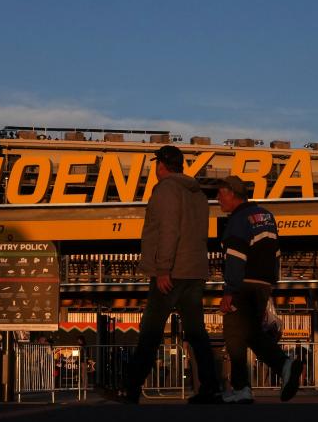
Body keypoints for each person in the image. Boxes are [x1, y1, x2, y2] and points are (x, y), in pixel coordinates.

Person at [120, 144, 220, 404]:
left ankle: (131, 389)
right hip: (194, 270)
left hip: (172, 271)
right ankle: (210, 388)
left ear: (161, 165)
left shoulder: (166, 189)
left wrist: (163, 268)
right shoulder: (197, 193)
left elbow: (168, 230)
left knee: (151, 331)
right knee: (197, 333)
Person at [216, 175, 302, 404]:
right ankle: (284, 364)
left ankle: (242, 387)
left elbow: (235, 257)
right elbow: (275, 252)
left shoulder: (237, 219)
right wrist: (271, 282)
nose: (217, 199)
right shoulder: (266, 216)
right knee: (251, 332)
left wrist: (229, 290)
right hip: (263, 285)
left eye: (220, 194)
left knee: (234, 335)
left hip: (243, 284)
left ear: (231, 193)